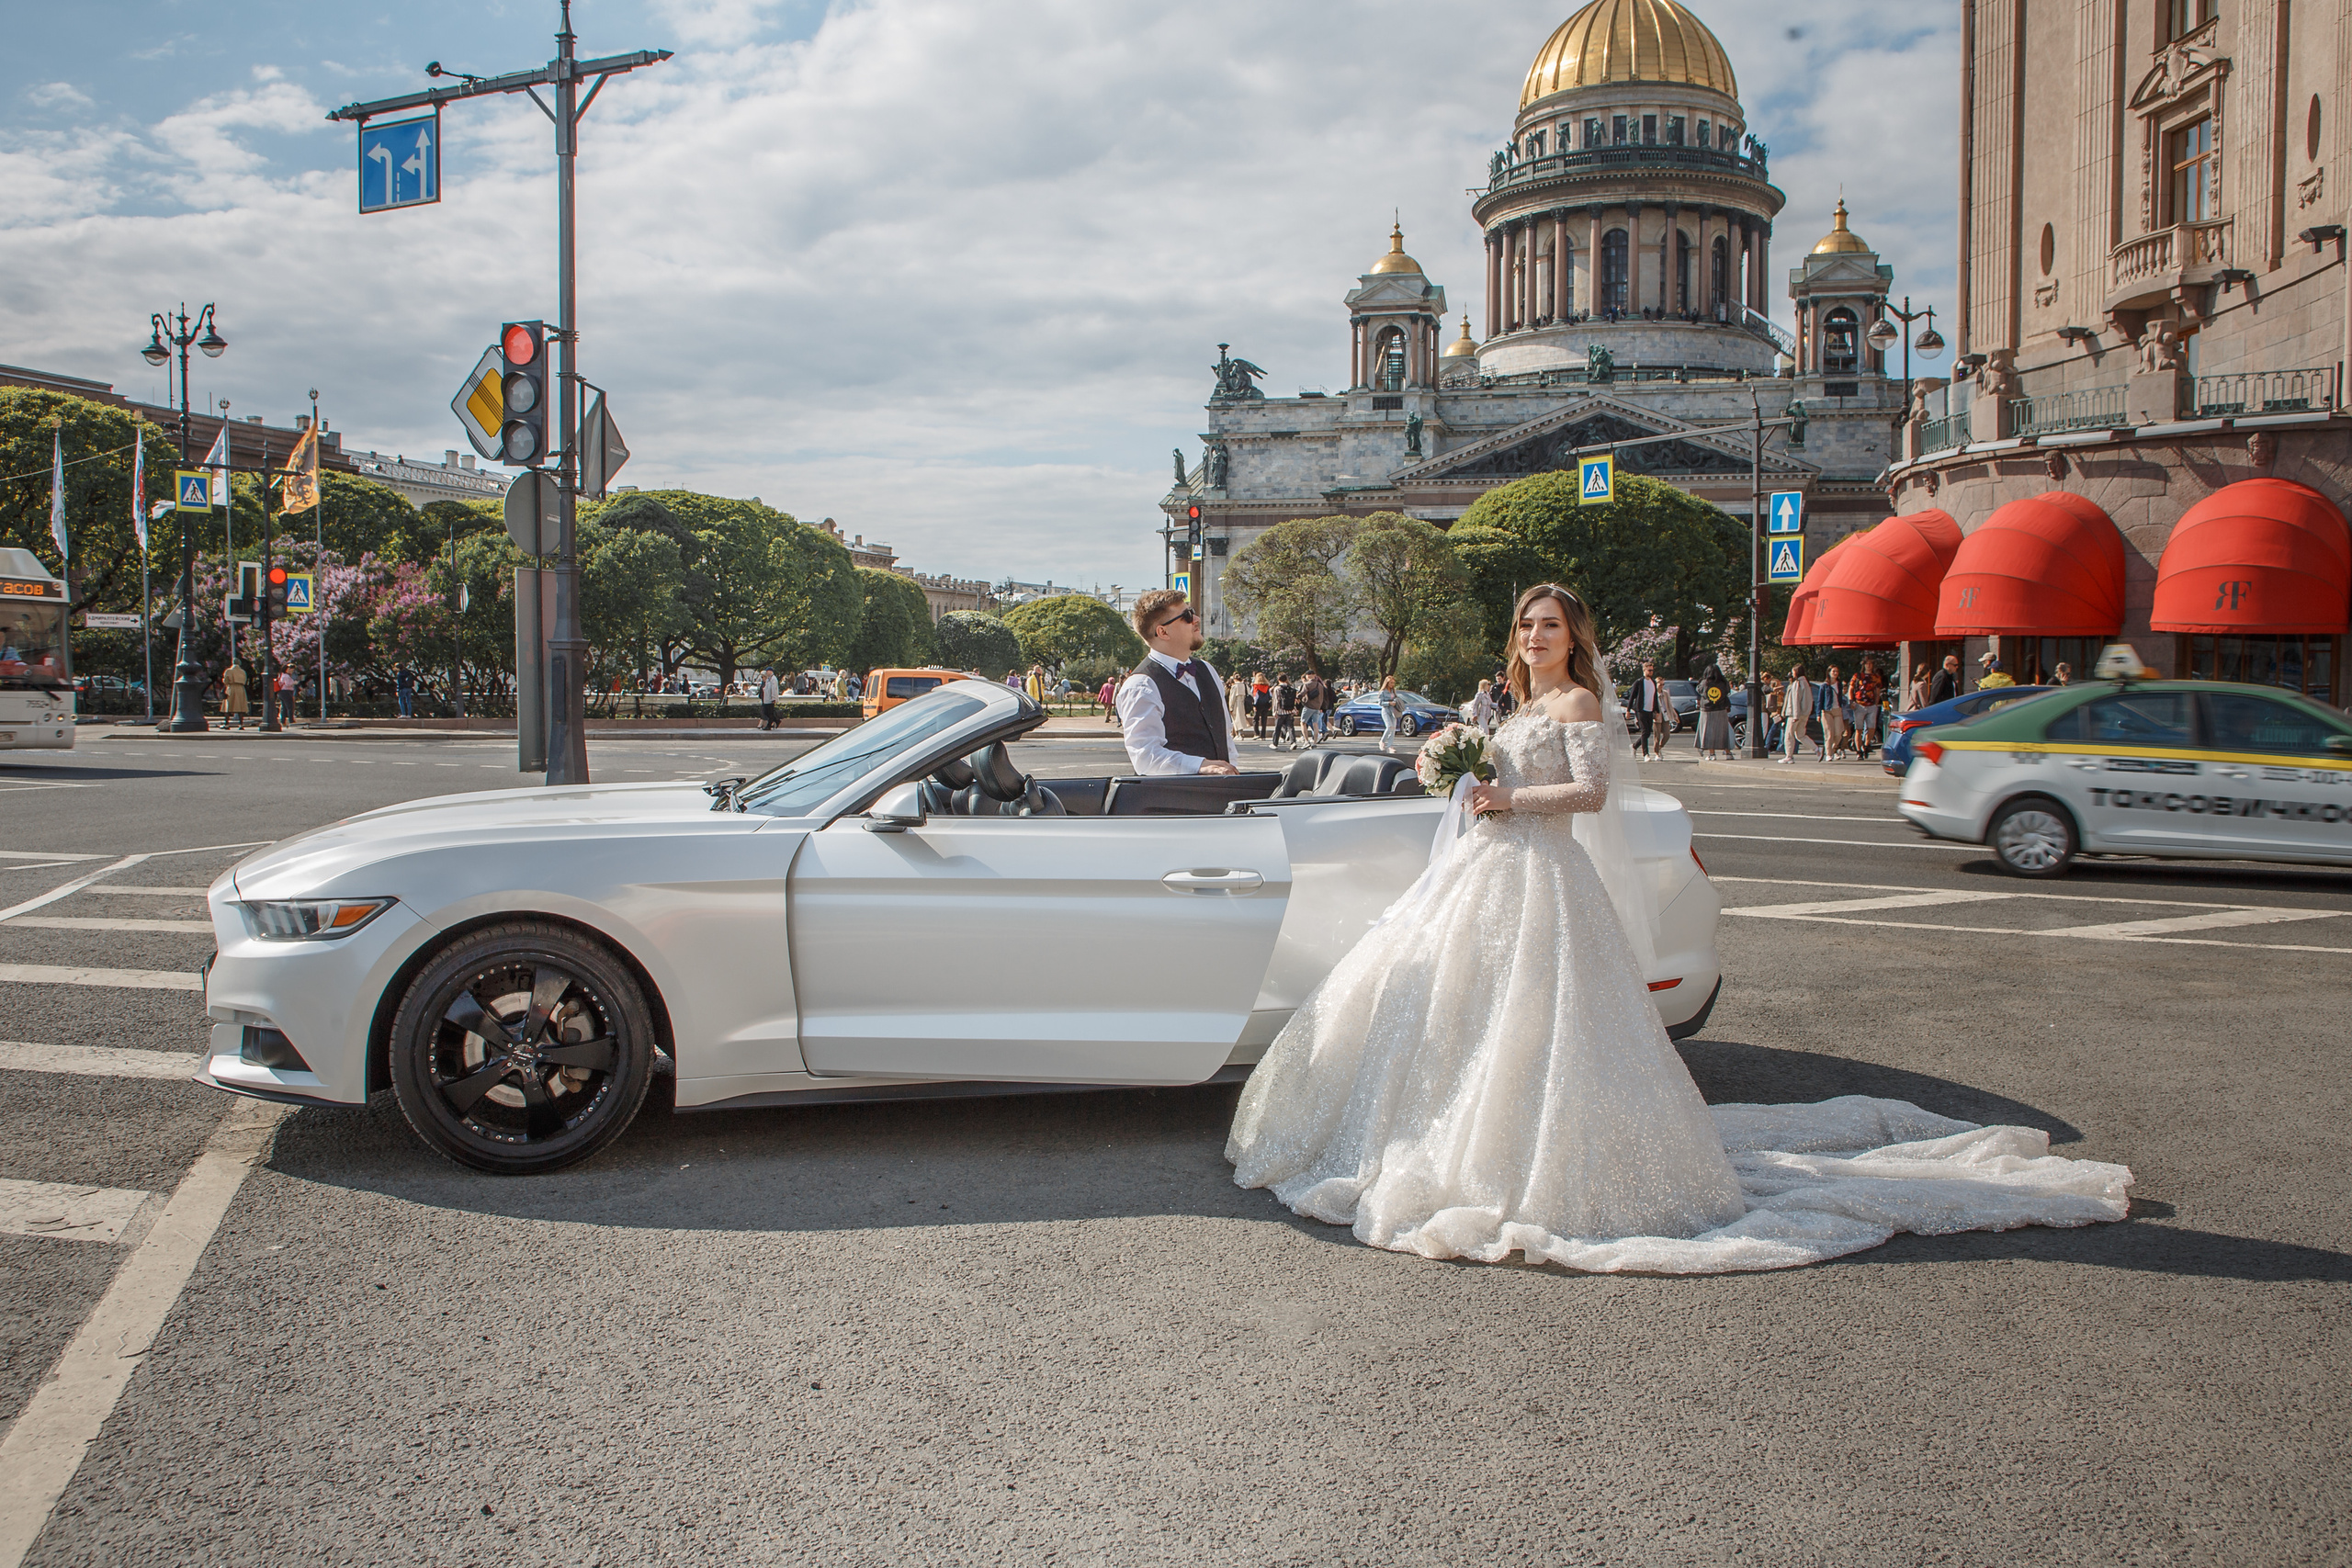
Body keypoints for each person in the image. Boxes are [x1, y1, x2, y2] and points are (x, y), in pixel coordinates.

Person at [1227, 581, 2135, 1271]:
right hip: (1486, 870)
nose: (1534, 636)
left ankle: (1534, 1161)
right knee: (1470, 1017)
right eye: (1526, 625)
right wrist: (1458, 777)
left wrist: (1505, 794)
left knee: (1542, 1028)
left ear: (1573, 637)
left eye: (1548, 625)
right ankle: (1450, 1136)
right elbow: (1500, 778)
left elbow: (1589, 794)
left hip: (1540, 874)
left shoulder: (1576, 704)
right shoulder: (1515, 705)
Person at [1114, 589, 1238, 776]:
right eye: (1187, 616)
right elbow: (1146, 757)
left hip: (1220, 795)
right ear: (1162, 631)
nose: (1196, 619)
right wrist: (1201, 765)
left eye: (1193, 611)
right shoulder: (1141, 685)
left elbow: (1225, 739)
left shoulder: (1207, 670)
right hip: (1173, 800)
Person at [1633, 660, 1670, 760]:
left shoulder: (1653, 682)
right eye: (1649, 670)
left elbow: (1654, 698)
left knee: (1648, 732)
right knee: (1645, 731)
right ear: (1644, 670)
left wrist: (1657, 711)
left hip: (1650, 710)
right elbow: (1633, 696)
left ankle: (1634, 746)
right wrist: (1629, 710)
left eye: (1652, 670)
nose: (1651, 672)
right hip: (1641, 710)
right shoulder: (1639, 682)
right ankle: (1646, 754)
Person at [1780, 660, 1815, 763]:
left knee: (1789, 735)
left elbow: (1795, 700)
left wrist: (1795, 715)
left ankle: (1789, 756)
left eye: (1793, 671)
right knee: (1801, 735)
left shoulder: (1797, 683)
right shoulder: (1806, 683)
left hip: (1794, 714)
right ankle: (1817, 749)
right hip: (1804, 713)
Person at [1696, 662, 1732, 760]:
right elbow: (1727, 692)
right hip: (1721, 709)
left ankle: (1712, 754)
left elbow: (1699, 691)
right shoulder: (1723, 683)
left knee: (1709, 732)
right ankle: (1728, 753)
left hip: (1707, 710)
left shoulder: (1705, 683)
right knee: (1723, 732)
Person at [1376, 675, 1405, 754]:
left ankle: (1390, 746)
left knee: (1393, 729)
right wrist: (1389, 703)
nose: (1392, 684)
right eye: (1391, 683)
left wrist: (1397, 702)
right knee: (1389, 727)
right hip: (1386, 710)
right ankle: (1382, 741)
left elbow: (1396, 699)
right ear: (1387, 683)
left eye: (1393, 683)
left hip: (1393, 711)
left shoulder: (1393, 691)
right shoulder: (1383, 692)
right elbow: (1380, 703)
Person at [1300, 671, 1329, 743]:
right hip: (1317, 708)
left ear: (1308, 675)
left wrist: (1297, 697)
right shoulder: (1320, 685)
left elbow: (1302, 693)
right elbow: (1322, 697)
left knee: (1303, 723)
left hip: (1309, 706)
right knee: (1315, 724)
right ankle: (1315, 742)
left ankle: (1306, 741)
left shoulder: (1307, 684)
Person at [1272, 675, 1299, 749]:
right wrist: (1294, 710)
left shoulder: (1277, 689)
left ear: (1278, 679)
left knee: (1278, 728)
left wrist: (1275, 711)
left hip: (1280, 712)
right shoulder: (1291, 688)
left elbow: (1276, 701)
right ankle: (1293, 742)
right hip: (1289, 711)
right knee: (1290, 727)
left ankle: (1275, 743)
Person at [221, 660, 249, 730]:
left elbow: (226, 680)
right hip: (241, 689)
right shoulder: (243, 671)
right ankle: (241, 724)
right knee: (240, 707)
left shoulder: (229, 671)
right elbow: (245, 680)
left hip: (231, 687)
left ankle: (226, 724)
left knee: (228, 706)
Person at [1250, 673, 1272, 740]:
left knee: (1255, 719)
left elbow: (1255, 696)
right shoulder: (1267, 686)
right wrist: (1269, 705)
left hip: (1258, 705)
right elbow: (1270, 696)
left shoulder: (1255, 686)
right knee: (1264, 720)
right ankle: (1263, 735)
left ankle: (1256, 733)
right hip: (1265, 704)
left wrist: (1254, 705)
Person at [758, 666, 780, 731]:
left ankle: (769, 725)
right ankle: (776, 720)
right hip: (767, 699)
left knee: (769, 713)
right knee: (767, 712)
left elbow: (774, 689)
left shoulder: (773, 679)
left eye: (767, 671)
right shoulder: (769, 679)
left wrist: (773, 698)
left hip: (770, 699)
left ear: (770, 671)